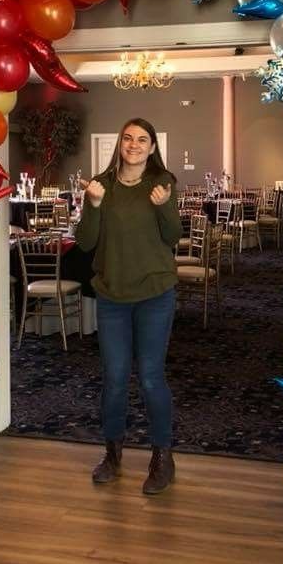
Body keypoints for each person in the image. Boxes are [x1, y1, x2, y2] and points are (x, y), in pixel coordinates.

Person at [76, 118, 182, 495]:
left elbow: (173, 236)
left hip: (155, 293)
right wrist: (92, 204)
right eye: (127, 138)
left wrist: (165, 207)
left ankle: (162, 457)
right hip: (112, 298)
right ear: (119, 144)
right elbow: (86, 242)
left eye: (142, 140)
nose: (134, 145)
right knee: (115, 378)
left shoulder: (162, 183)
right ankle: (112, 453)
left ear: (152, 147)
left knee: (152, 376)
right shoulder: (100, 186)